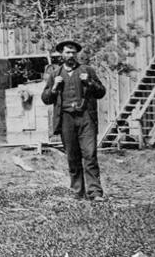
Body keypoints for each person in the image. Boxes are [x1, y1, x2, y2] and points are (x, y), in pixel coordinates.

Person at [41, 40, 106, 202]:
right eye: (67, 52)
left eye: (73, 52)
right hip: (66, 119)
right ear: (61, 54)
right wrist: (54, 87)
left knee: (90, 155)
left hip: (86, 119)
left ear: (76, 54)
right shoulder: (55, 74)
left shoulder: (87, 71)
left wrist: (89, 83)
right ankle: (77, 191)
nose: (70, 55)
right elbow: (46, 99)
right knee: (72, 157)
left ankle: (95, 192)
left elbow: (101, 92)